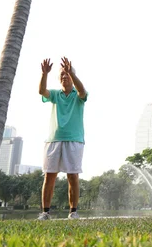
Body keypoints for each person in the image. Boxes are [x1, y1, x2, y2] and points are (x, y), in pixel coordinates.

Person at [37, 57, 88, 220]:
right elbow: (42, 91)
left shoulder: (78, 95)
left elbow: (82, 91)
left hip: (74, 139)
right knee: (49, 175)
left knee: (72, 176)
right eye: (62, 75)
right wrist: (44, 74)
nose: (64, 76)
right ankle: (45, 212)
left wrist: (72, 73)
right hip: (54, 139)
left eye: (67, 74)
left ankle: (73, 212)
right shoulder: (54, 94)